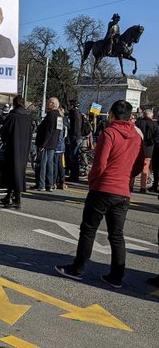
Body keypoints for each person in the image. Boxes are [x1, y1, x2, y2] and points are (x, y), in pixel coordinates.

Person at [56, 100, 144, 288]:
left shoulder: (109, 133)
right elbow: (139, 164)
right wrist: (127, 176)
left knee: (88, 230)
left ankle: (78, 269)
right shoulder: (137, 138)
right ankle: (116, 276)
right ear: (129, 117)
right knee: (117, 235)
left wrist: (92, 180)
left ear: (112, 115)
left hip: (103, 188)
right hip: (123, 191)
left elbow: (100, 163)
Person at [0, 95, 33, 208]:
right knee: (19, 173)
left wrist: (4, 140)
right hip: (24, 148)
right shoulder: (28, 117)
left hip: (12, 147)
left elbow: (4, 131)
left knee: (11, 173)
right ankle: (10, 196)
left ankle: (16, 199)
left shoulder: (12, 116)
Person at [35, 97, 61, 191]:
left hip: (46, 143)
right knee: (50, 164)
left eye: (48, 103)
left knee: (43, 164)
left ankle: (41, 184)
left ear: (52, 104)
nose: (46, 104)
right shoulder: (59, 116)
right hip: (53, 143)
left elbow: (48, 131)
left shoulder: (50, 116)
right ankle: (49, 184)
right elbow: (58, 131)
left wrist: (43, 144)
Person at [133, 108, 159, 193]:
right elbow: (157, 138)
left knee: (134, 166)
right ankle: (143, 187)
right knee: (145, 167)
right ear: (151, 116)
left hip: (138, 148)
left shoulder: (138, 123)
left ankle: (130, 185)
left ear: (144, 115)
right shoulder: (155, 125)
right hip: (149, 149)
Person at [66, 100, 83, 183]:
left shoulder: (73, 113)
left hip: (75, 137)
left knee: (73, 157)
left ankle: (74, 176)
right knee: (75, 157)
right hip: (79, 137)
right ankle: (74, 175)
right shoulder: (79, 113)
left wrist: (70, 138)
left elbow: (72, 127)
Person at [54, 107, 68, 190]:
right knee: (61, 165)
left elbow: (59, 135)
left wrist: (56, 145)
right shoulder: (65, 121)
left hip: (58, 147)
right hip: (62, 147)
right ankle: (62, 181)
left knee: (56, 165)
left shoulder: (60, 122)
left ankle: (54, 182)